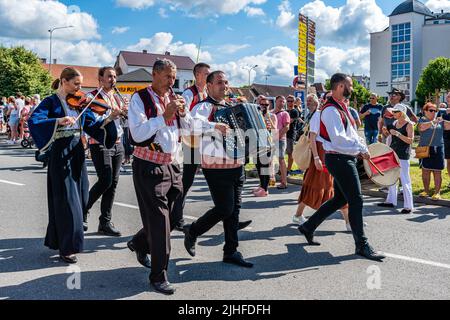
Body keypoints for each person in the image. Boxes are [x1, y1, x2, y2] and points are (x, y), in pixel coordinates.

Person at [28, 67, 119, 264]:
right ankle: (67, 247)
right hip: (60, 153)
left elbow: (93, 126)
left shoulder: (80, 104)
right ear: (64, 81)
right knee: (67, 200)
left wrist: (110, 118)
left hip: (77, 151)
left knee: (81, 196)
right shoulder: (50, 101)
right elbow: (34, 121)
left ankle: (64, 239)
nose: (80, 88)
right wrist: (58, 120)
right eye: (76, 84)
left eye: (80, 84)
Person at [297, 73, 385, 262]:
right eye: (349, 85)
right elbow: (338, 140)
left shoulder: (341, 108)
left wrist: (362, 147)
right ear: (339, 87)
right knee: (356, 199)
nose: (352, 88)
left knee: (339, 199)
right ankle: (361, 244)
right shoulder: (330, 111)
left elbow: (352, 133)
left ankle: (308, 226)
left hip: (345, 158)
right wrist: (360, 149)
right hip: (339, 159)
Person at [127, 59, 191, 295]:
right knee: (159, 223)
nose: (172, 82)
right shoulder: (139, 98)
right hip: (149, 165)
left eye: (174, 77)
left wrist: (183, 114)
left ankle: (139, 242)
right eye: (168, 76)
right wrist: (165, 115)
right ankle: (158, 275)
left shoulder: (173, 98)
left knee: (174, 218)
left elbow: (187, 130)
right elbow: (137, 133)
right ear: (155, 74)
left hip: (173, 165)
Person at [183, 71, 254, 270]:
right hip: (215, 166)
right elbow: (192, 126)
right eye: (219, 82)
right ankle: (193, 230)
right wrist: (215, 125)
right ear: (209, 86)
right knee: (225, 208)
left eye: (226, 82)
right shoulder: (202, 107)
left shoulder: (231, 107)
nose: (224, 85)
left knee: (234, 212)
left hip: (236, 164)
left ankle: (231, 251)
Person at [292, 94, 353, 231]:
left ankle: (349, 222)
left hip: (331, 154)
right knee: (315, 186)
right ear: (324, 100)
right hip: (321, 154)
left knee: (333, 187)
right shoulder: (319, 114)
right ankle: (298, 215)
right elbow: (312, 137)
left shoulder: (338, 114)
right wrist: (316, 158)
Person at [83, 67, 127, 236]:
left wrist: (125, 112)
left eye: (115, 76)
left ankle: (105, 222)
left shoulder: (117, 96)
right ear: (100, 78)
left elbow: (122, 121)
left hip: (118, 143)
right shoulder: (92, 97)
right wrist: (111, 116)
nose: (113, 79)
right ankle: (83, 209)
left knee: (113, 183)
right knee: (105, 180)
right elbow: (92, 123)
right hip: (100, 142)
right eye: (109, 76)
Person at [172, 62, 210, 231]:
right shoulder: (189, 93)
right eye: (206, 73)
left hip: (203, 142)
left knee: (190, 179)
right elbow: (183, 116)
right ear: (197, 75)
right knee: (186, 181)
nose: (209, 76)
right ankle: (177, 218)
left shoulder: (207, 93)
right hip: (190, 142)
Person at [377, 104, 414, 213]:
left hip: (403, 155)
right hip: (393, 153)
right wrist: (386, 133)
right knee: (392, 178)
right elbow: (390, 137)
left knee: (405, 180)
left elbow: (410, 140)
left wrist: (397, 134)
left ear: (401, 113)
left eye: (395, 112)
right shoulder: (394, 123)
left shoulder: (409, 124)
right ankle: (391, 201)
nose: (393, 114)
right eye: (393, 112)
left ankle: (409, 206)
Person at [418, 102, 445, 200]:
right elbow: (421, 127)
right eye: (431, 110)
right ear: (425, 111)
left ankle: (437, 193)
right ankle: (426, 190)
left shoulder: (441, 121)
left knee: (437, 172)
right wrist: (434, 121)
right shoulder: (422, 120)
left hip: (438, 148)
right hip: (425, 149)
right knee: (425, 171)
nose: (434, 112)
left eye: (435, 110)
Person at [253, 95, 277, 197]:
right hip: (257, 143)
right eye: (262, 104)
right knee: (258, 165)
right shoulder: (255, 115)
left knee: (265, 166)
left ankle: (265, 189)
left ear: (269, 105)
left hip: (267, 144)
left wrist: (267, 117)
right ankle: (262, 185)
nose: (264, 106)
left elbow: (274, 129)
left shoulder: (272, 116)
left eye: (266, 104)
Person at [273, 96, 291, 189]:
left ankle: (284, 182)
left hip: (280, 140)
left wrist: (276, 137)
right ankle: (270, 180)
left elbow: (286, 127)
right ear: (276, 101)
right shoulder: (271, 113)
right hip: (270, 140)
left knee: (281, 159)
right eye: (280, 101)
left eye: (283, 102)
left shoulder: (285, 114)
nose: (282, 103)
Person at [286, 95, 301, 175]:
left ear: (294, 102)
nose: (290, 103)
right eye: (288, 101)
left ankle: (288, 170)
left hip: (290, 134)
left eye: (291, 101)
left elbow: (288, 122)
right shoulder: (284, 111)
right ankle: (284, 169)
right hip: (283, 134)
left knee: (290, 153)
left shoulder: (295, 111)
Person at [443, 93, 450, 184]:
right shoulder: (443, 111)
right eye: (448, 96)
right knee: (449, 161)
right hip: (446, 138)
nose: (448, 98)